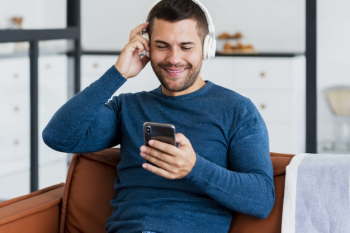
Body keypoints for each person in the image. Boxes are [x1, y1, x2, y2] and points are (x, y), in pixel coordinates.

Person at [42, 0, 275, 232]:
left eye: (186, 47)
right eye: (162, 46)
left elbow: (262, 199)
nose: (174, 58)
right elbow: (58, 137)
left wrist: (194, 168)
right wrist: (118, 74)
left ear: (206, 49)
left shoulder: (238, 110)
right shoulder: (128, 107)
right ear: (146, 47)